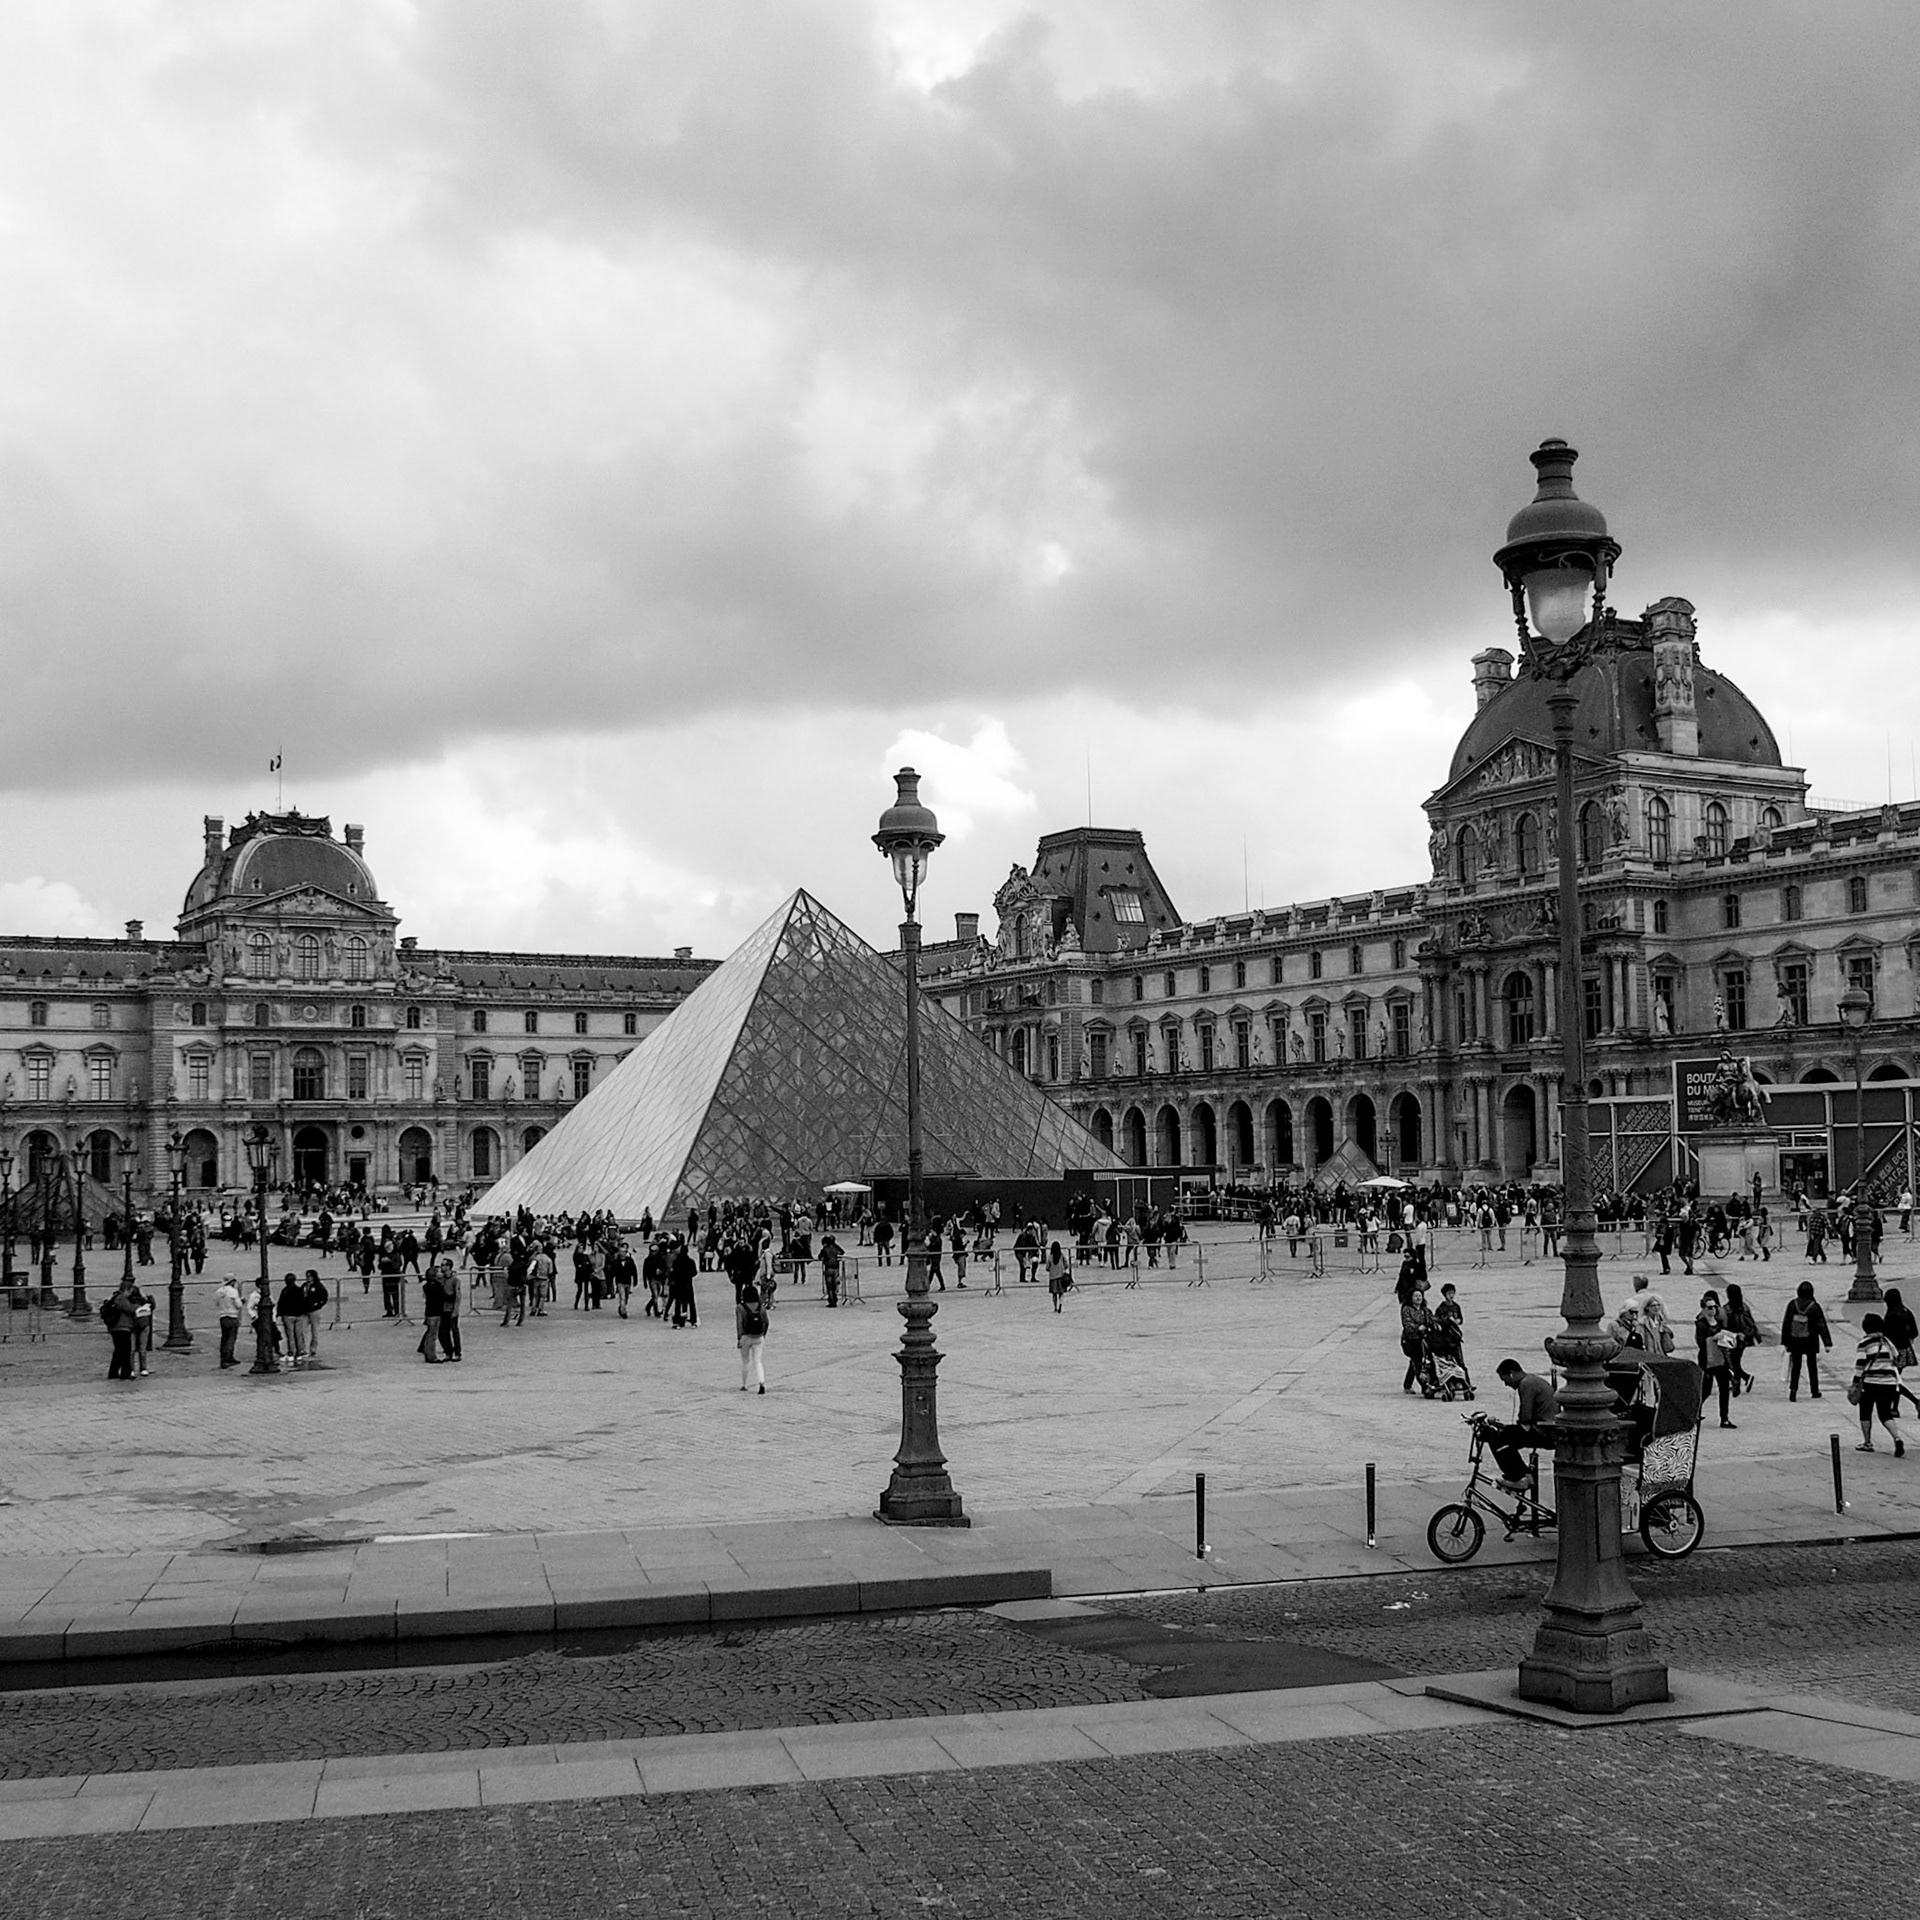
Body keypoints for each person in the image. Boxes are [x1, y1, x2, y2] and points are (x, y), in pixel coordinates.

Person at [1486, 1359, 1559, 1488]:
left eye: (1505, 1380)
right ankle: (1523, 1474)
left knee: (1498, 1438)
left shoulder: (1526, 1384)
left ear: (1511, 1374)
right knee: (1508, 1436)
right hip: (1545, 1427)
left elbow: (1525, 1416)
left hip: (1543, 1431)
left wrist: (1512, 1426)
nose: (1506, 1384)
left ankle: (1518, 1476)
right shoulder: (1532, 1380)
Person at [1850, 1312, 1905, 1456]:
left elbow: (1860, 1365)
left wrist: (1855, 1383)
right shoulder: (1887, 1342)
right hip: (1889, 1383)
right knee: (1885, 1413)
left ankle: (1867, 1442)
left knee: (1865, 1411)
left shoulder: (1864, 1343)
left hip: (1871, 1383)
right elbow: (1897, 1358)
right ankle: (1897, 1438)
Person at [1781, 1279, 1832, 1401]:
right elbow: (1821, 1324)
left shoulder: (1792, 1304)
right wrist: (1827, 1343)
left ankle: (1793, 1390)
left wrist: (1785, 1341)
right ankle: (1814, 1390)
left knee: (1796, 1366)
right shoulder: (1814, 1306)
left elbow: (1786, 1323)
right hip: (1810, 1339)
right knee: (1812, 1365)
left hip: (1795, 1338)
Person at [1695, 1289, 1736, 1427]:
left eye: (1715, 1307)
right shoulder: (1701, 1323)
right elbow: (1700, 1342)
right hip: (1707, 1360)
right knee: (1705, 1389)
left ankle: (1724, 1418)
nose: (1713, 1310)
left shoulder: (1717, 1321)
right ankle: (1695, 1413)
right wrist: (1713, 1338)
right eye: (1710, 1307)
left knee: (1724, 1388)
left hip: (1720, 1359)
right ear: (1703, 1309)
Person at [1722, 1280, 1760, 1393]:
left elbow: (1725, 1324)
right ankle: (1736, 1384)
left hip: (1732, 1338)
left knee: (1730, 1362)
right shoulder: (1744, 1306)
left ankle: (1746, 1377)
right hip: (1744, 1338)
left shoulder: (1727, 1309)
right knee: (1736, 1361)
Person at [101, 1277, 140, 1381]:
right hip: (122, 1328)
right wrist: (139, 1307)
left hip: (117, 1328)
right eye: (131, 1290)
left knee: (119, 1351)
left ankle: (113, 1372)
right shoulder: (121, 1298)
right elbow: (129, 1308)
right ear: (127, 1290)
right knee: (125, 1351)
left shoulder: (116, 1297)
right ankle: (125, 1373)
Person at [737, 1281, 768, 1393]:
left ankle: (744, 1384)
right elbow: (766, 1322)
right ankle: (761, 1383)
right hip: (759, 1336)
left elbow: (739, 1324)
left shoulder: (740, 1307)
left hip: (746, 1336)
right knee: (758, 1361)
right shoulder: (761, 1307)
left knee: (745, 1361)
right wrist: (763, 1334)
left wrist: (739, 1338)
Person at [215, 1275, 243, 1368]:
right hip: (232, 1316)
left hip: (223, 1316)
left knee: (224, 1338)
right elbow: (238, 1305)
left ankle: (223, 1356)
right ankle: (228, 1357)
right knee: (231, 1338)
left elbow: (216, 1303)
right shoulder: (233, 1291)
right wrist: (242, 1301)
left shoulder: (219, 1291)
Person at [1046, 1239, 1071, 1312]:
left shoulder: (1050, 1257)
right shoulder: (1062, 1256)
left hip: (1053, 1278)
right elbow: (1066, 1265)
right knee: (1061, 1293)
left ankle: (1055, 1307)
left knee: (1054, 1294)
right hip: (1061, 1277)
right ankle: (1061, 1304)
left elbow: (1047, 1267)